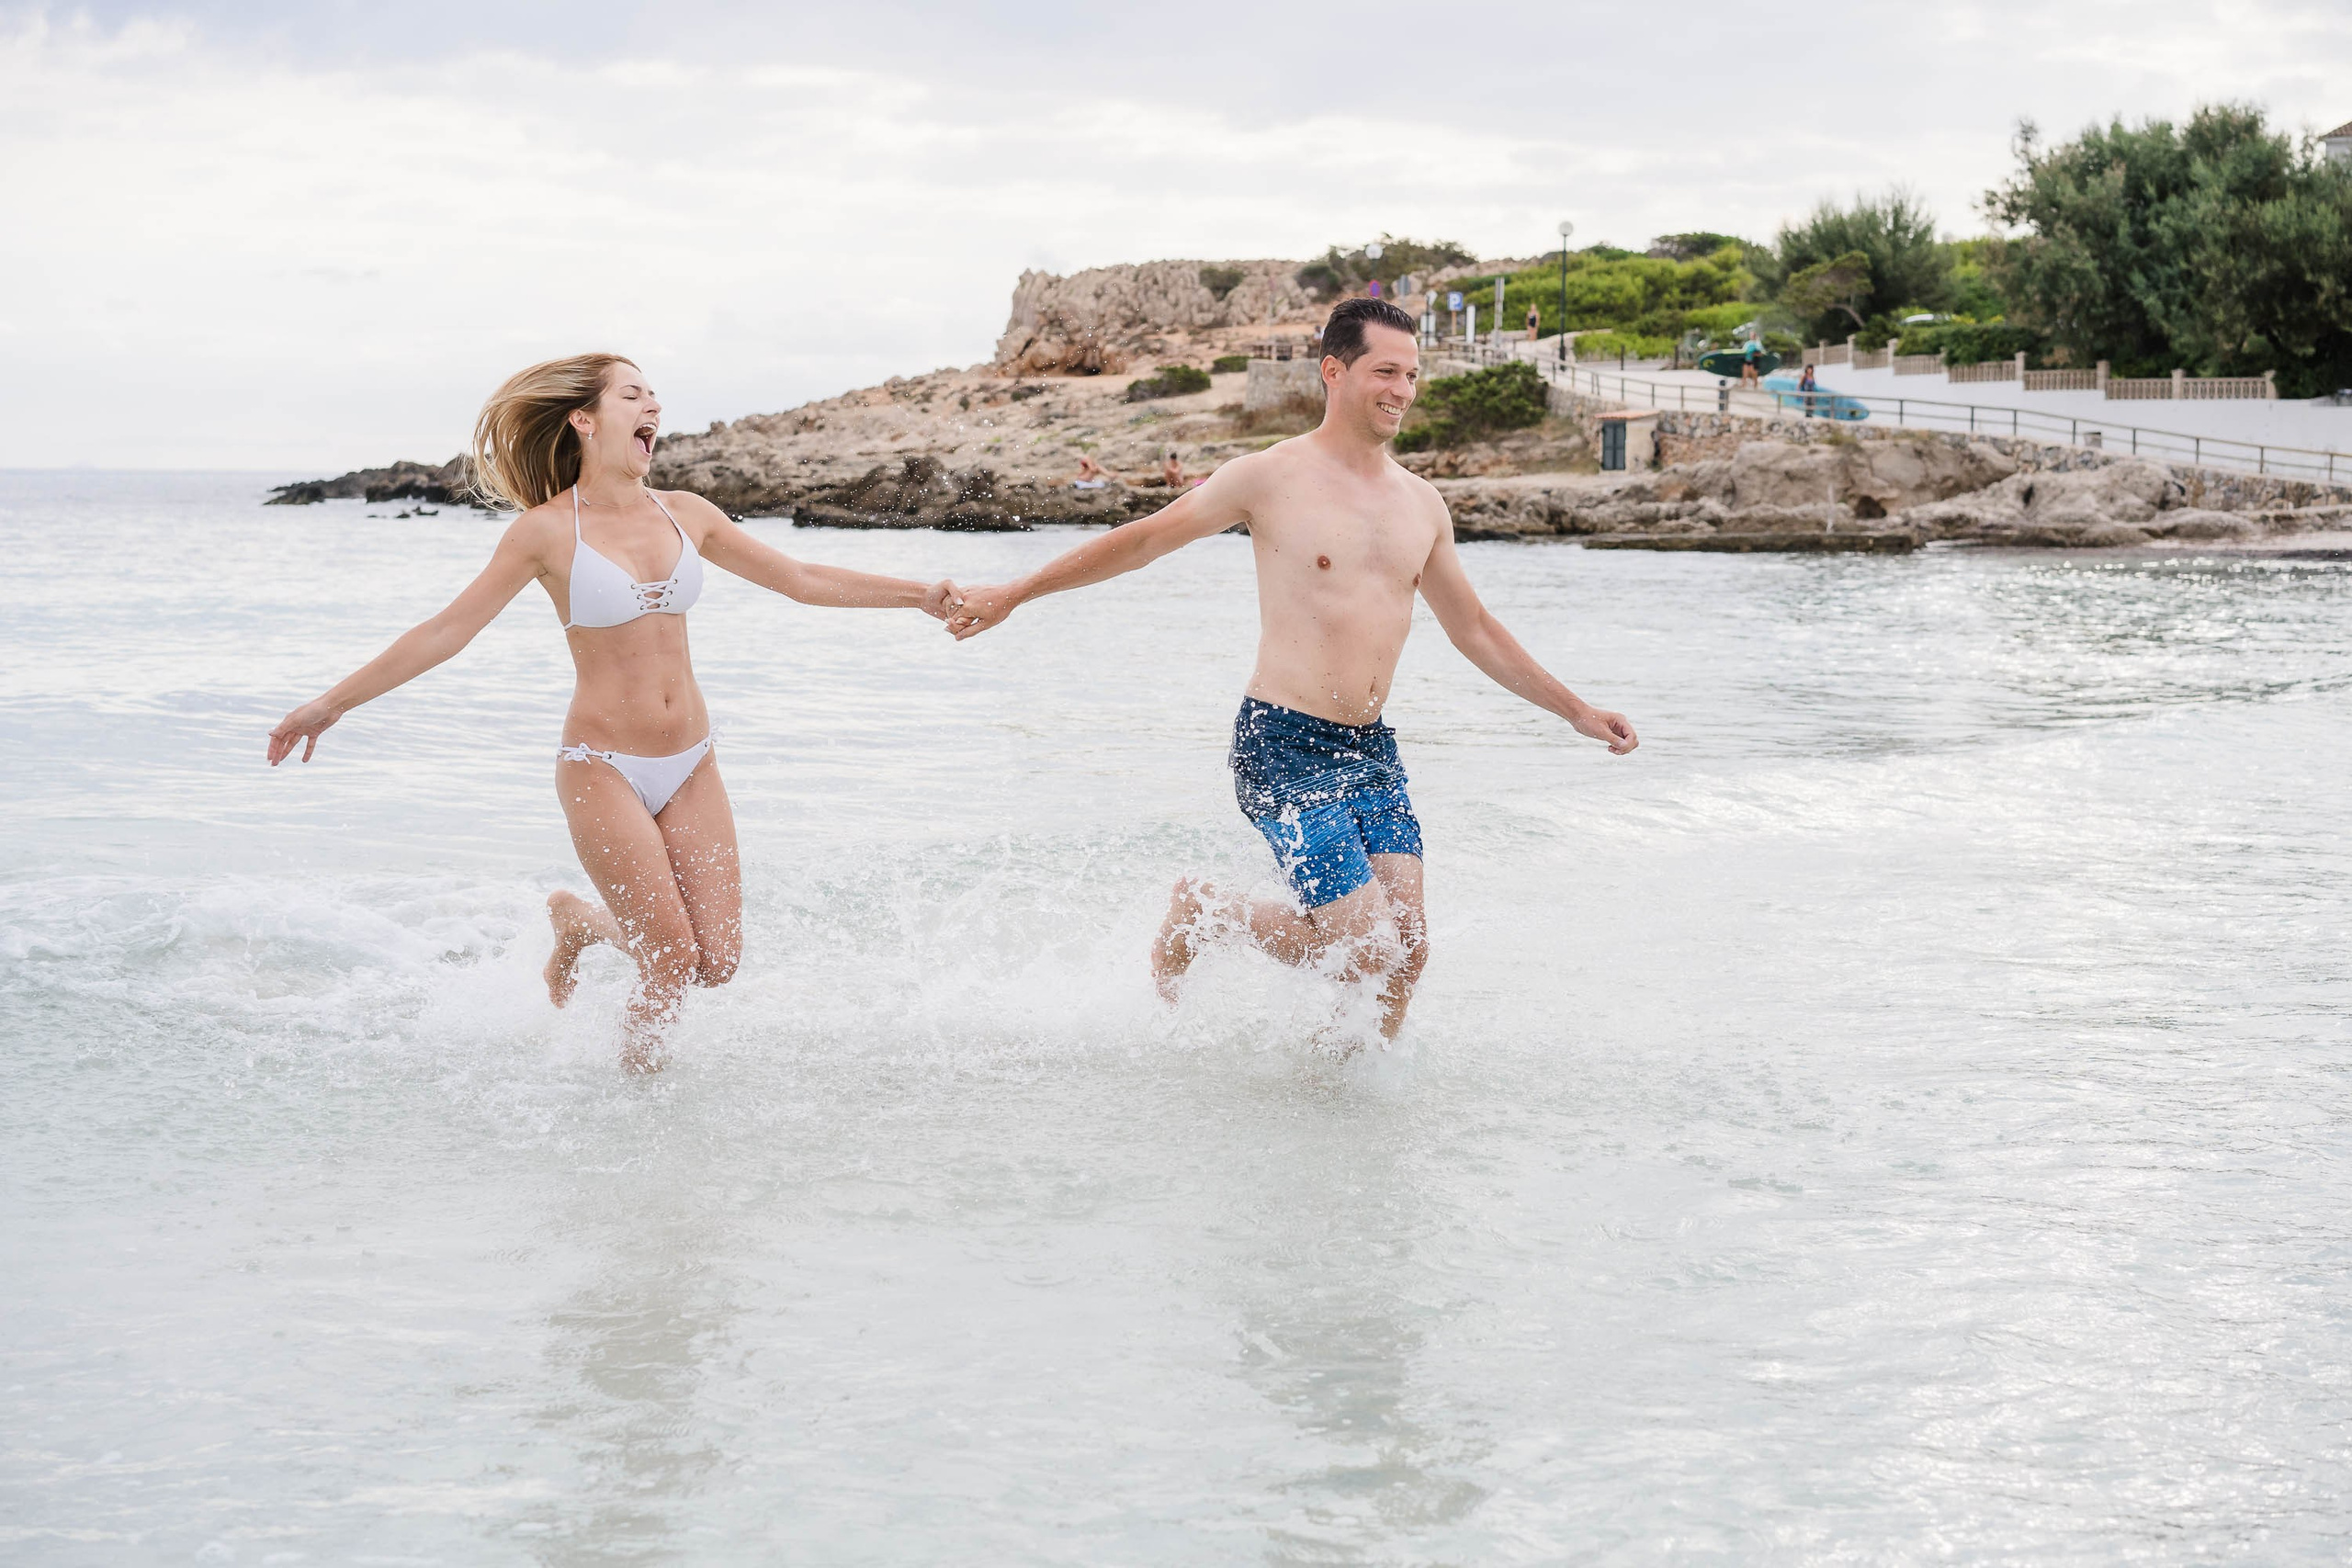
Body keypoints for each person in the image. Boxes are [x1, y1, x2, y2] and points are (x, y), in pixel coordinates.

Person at [944, 299, 1637, 1042]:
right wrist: (1015, 592)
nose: (1403, 389)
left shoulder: (1422, 504)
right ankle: (1203, 909)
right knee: (1364, 945)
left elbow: (1473, 627)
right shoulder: (1267, 477)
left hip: (1372, 751)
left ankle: (1344, 1099)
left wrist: (1574, 710)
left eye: (1412, 374)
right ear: (1333, 372)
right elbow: (1143, 540)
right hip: (1281, 746)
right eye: (1385, 371)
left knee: (1407, 953)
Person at [266, 354, 961, 1071]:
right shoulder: (543, 532)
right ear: (585, 419)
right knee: (669, 961)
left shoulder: (688, 513)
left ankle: (583, 923)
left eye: (655, 396)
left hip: (692, 762)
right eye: (633, 394)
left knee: (715, 962)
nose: (652, 406)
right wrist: (331, 704)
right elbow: (449, 629)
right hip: (601, 768)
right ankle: (640, 1128)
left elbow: (804, 577)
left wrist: (920, 594)